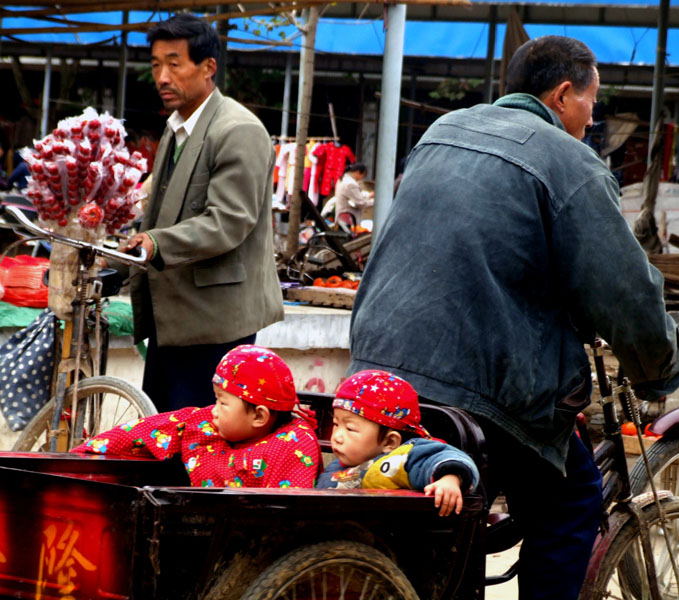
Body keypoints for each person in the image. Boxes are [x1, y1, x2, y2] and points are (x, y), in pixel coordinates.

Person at [348, 35, 679, 600]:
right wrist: (661, 369)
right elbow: (625, 292)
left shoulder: (442, 131)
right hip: (478, 385)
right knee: (573, 501)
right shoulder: (568, 162)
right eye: (590, 103)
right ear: (562, 95)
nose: (591, 117)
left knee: (460, 506)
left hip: (377, 369)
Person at [119, 14, 283, 412]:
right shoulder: (177, 129)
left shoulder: (237, 129)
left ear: (208, 67)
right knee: (162, 433)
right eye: (156, 64)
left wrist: (156, 242)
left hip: (214, 323)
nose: (162, 76)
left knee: (199, 444)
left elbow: (230, 220)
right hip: (172, 316)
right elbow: (159, 214)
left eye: (175, 63)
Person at [72, 345, 321, 488]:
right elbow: (139, 434)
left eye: (223, 402)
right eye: (216, 399)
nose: (213, 409)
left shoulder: (292, 446)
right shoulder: (203, 425)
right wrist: (79, 459)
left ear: (259, 416)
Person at [315, 370, 479, 517]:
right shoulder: (336, 468)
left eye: (350, 428)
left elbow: (447, 457)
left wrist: (450, 479)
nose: (337, 436)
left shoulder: (405, 457)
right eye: (336, 424)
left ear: (390, 441)